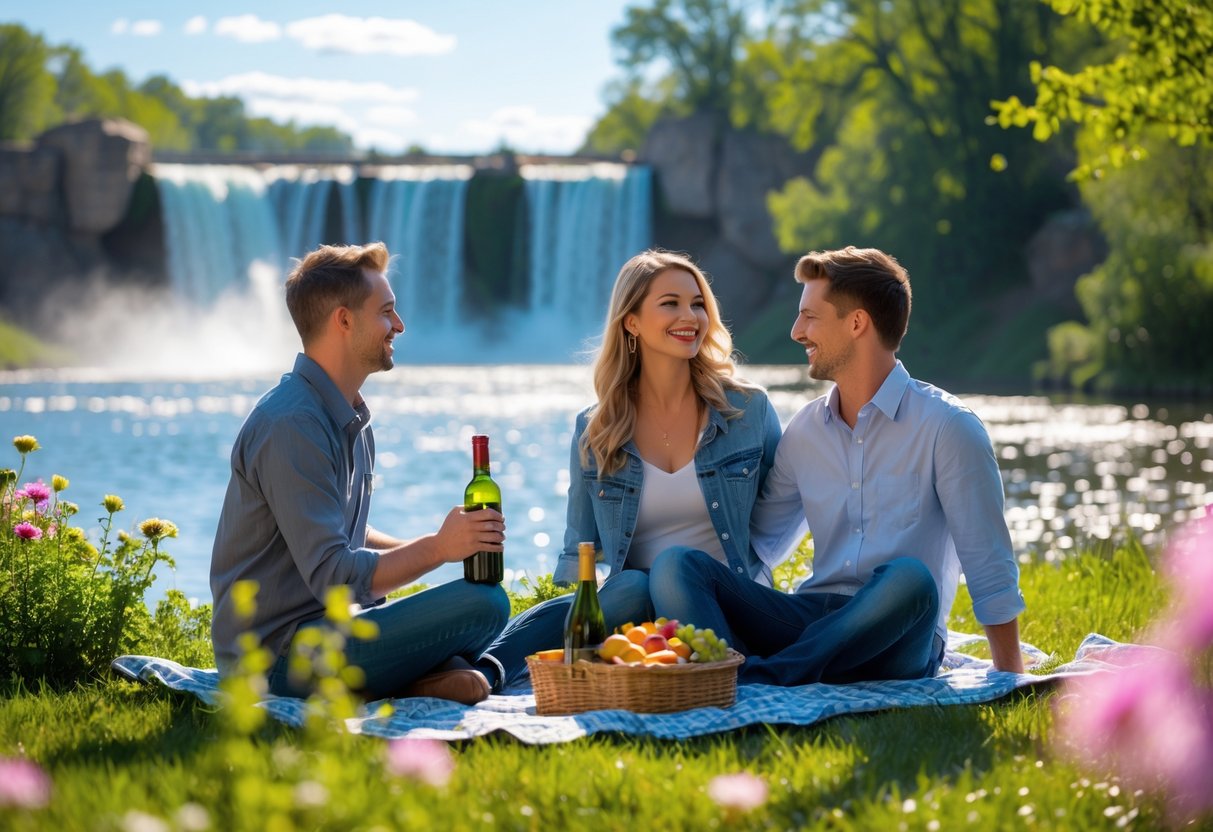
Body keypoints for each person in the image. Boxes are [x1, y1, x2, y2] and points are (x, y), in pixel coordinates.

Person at [651, 246, 1026, 685]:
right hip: (812, 621)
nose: (796, 332)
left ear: (856, 323)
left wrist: (1009, 674)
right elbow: (758, 547)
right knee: (679, 564)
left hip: (900, 633)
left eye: (810, 316)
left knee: (911, 579)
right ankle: (736, 672)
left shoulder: (949, 428)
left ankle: (759, 678)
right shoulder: (806, 431)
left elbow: (989, 565)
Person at [210, 242, 510, 705]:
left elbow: (346, 526)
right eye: (387, 312)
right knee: (486, 605)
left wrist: (442, 544)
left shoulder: (347, 416)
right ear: (344, 321)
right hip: (273, 659)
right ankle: (426, 677)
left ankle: (423, 678)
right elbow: (333, 572)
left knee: (524, 609)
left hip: (332, 631)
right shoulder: (292, 424)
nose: (400, 325)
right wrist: (438, 548)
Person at [474, 250, 782, 690]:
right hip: (641, 620)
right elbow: (578, 549)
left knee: (671, 571)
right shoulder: (596, 429)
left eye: (697, 304)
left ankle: (724, 669)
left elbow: (785, 508)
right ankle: (485, 669)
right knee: (633, 587)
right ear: (631, 322)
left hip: (730, 601)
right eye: (670, 303)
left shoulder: (748, 410)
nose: (690, 316)